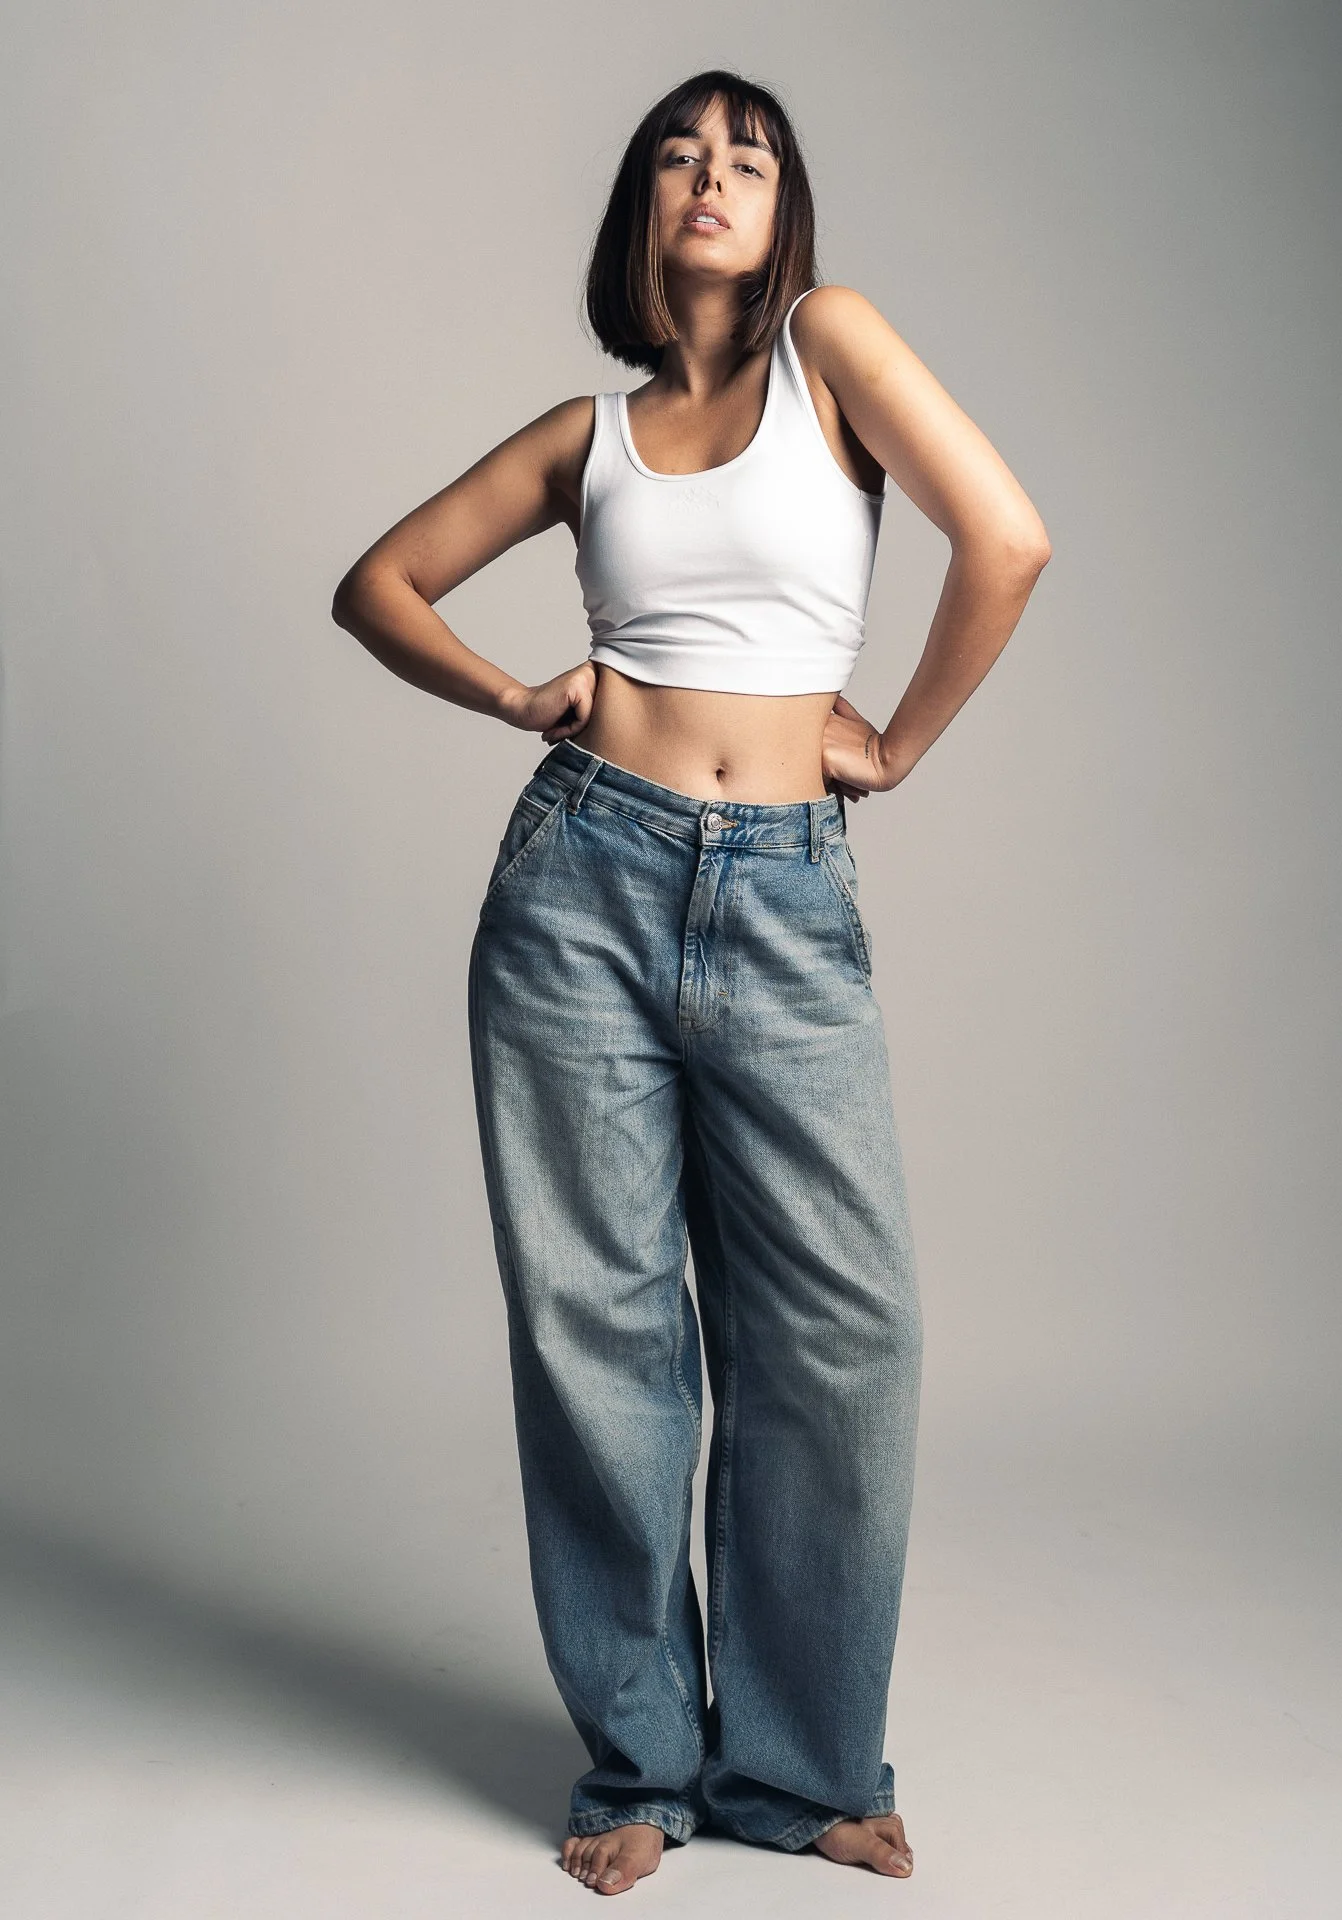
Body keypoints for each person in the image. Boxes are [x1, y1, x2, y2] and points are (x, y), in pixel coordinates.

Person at [332, 67, 1050, 1898]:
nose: (712, 175)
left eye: (748, 156)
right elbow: (380, 584)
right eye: (678, 154)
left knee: (845, 1339)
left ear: (785, 207)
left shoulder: (832, 347)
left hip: (787, 891)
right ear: (641, 210)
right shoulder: (587, 433)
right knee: (602, 1340)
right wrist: (518, 694)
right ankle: (640, 1760)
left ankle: (802, 1771)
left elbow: (1007, 537)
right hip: (578, 883)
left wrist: (898, 740)